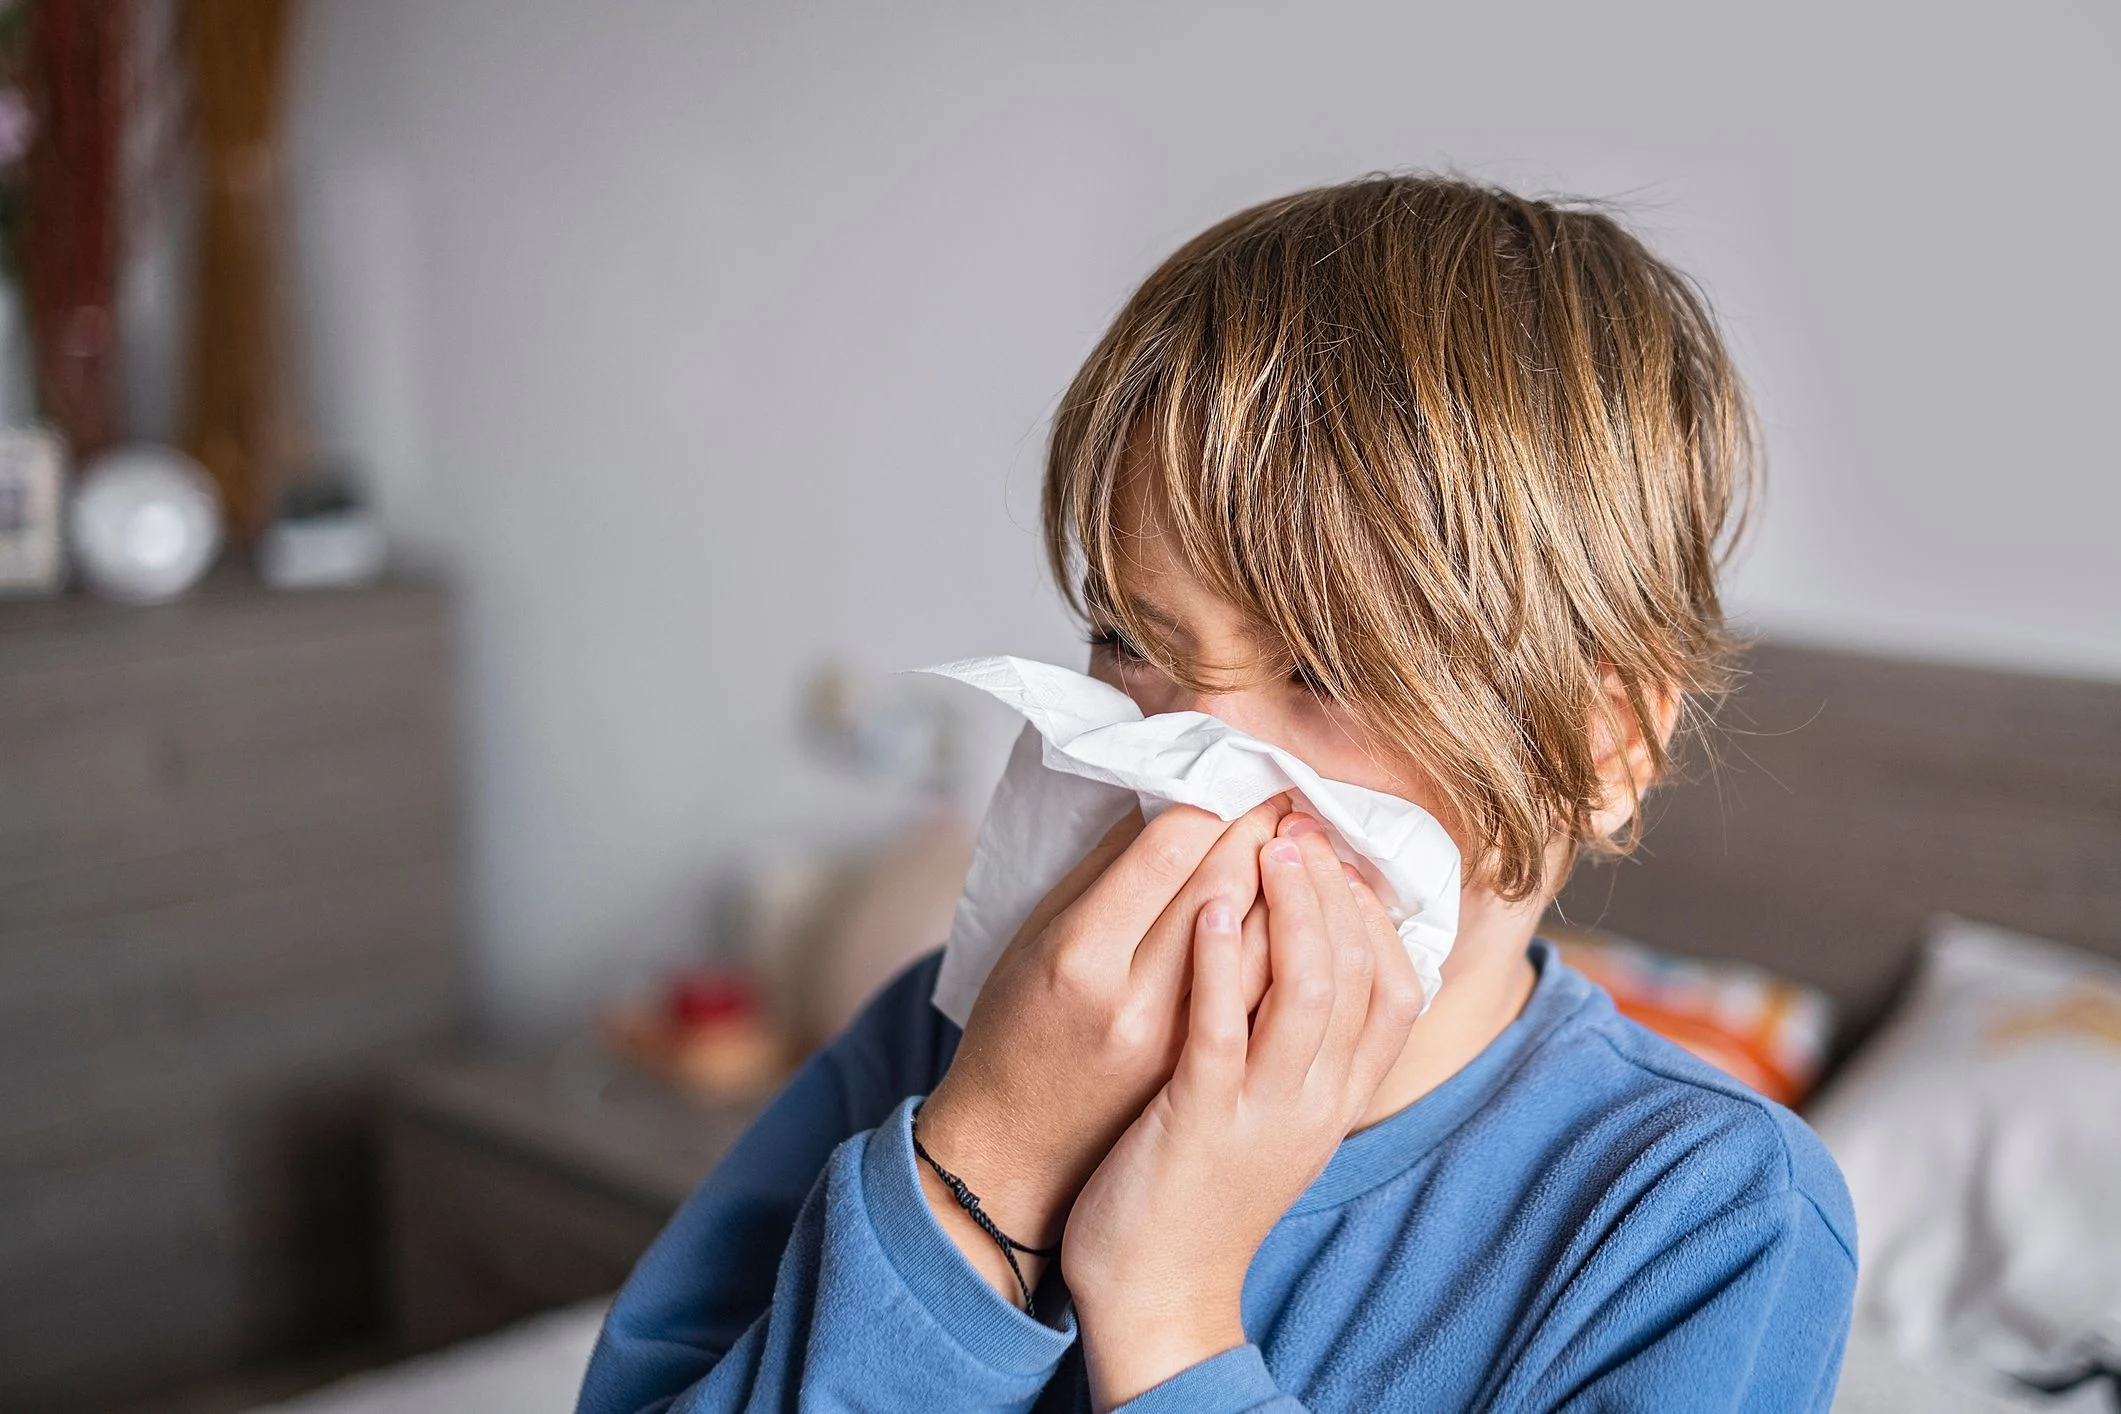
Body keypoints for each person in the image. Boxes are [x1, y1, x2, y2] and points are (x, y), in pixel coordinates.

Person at [577, 175, 1855, 1413]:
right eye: (1131, 641)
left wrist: (1166, 1305)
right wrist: (991, 1168)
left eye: (1325, 669)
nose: (1187, 763)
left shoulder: (1701, 1215)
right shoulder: (970, 1032)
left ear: (1605, 747)